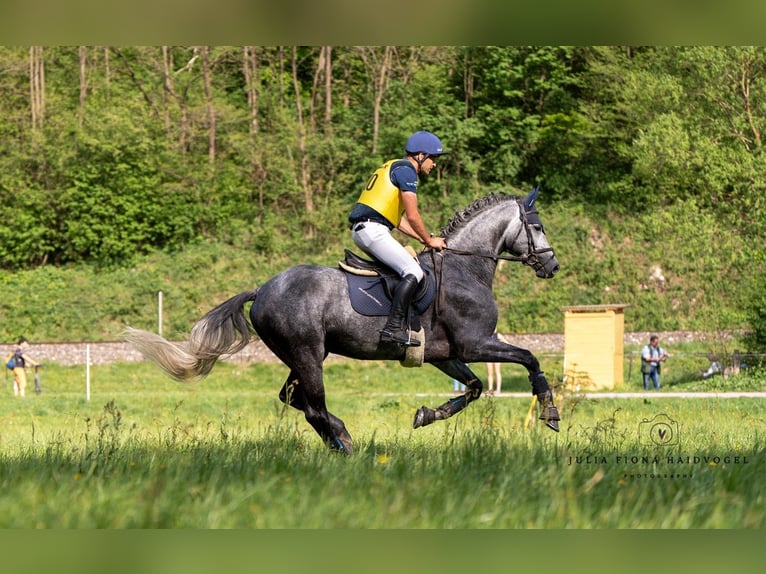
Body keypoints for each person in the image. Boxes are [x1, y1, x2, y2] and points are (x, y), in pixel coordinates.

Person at [349, 130, 448, 347]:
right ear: (420, 155)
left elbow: (398, 221)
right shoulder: (407, 172)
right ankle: (393, 329)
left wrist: (424, 238)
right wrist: (430, 241)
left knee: (404, 268)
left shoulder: (394, 166)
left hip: (366, 228)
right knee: (413, 271)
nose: (434, 164)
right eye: (433, 158)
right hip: (373, 231)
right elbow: (413, 215)